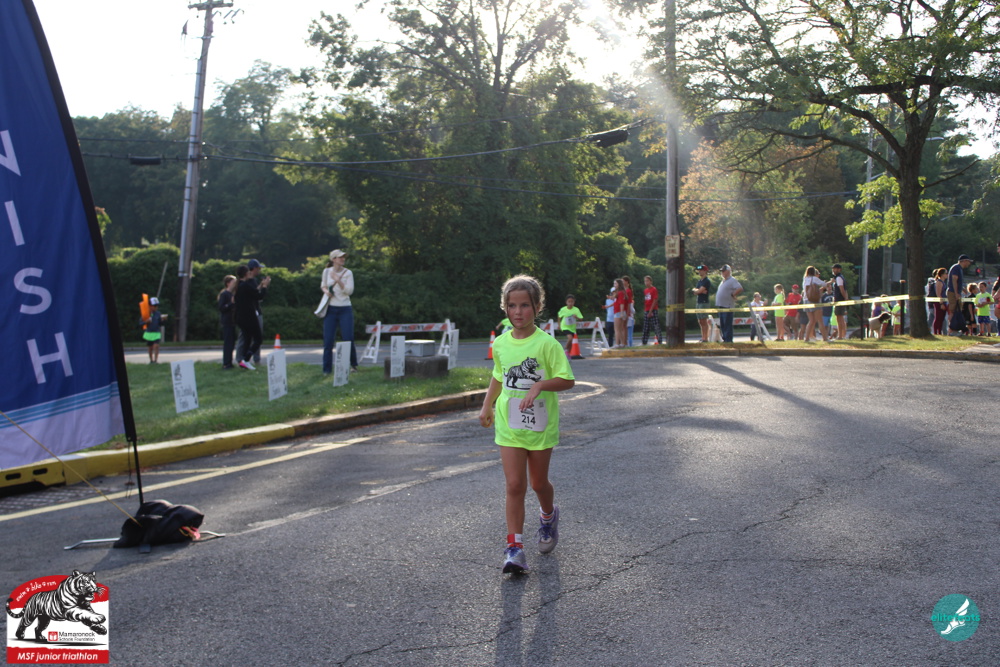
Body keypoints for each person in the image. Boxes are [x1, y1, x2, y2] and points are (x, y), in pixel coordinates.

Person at [478, 275, 575, 575]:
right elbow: (499, 375)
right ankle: (514, 548)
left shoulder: (547, 344)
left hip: (540, 424)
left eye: (524, 305)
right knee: (514, 484)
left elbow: (567, 380)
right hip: (509, 423)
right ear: (504, 307)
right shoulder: (501, 343)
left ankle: (548, 516)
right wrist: (487, 404)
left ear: (537, 306)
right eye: (512, 306)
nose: (518, 312)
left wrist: (540, 385)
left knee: (538, 483)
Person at [320, 249, 358, 374]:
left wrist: (338, 280)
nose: (343, 259)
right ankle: (326, 370)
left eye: (343, 257)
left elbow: (349, 291)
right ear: (333, 259)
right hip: (330, 309)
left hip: (345, 308)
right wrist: (326, 292)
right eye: (340, 257)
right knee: (328, 340)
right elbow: (323, 285)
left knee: (348, 338)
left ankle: (353, 365)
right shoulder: (326, 271)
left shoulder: (348, 273)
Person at [235, 258, 268, 364]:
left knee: (248, 339)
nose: (259, 271)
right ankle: (244, 359)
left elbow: (253, 292)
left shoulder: (243, 284)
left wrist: (261, 286)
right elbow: (258, 296)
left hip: (246, 315)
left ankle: (246, 360)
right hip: (249, 315)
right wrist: (264, 286)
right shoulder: (245, 284)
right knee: (255, 338)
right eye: (258, 268)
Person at [714, 264, 743, 343]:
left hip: (727, 306)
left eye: (724, 271)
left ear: (728, 271)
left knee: (727, 323)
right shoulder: (723, 281)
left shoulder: (732, 280)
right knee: (723, 324)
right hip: (721, 305)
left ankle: (728, 340)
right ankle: (725, 339)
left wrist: (733, 294)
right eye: (722, 271)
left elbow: (739, 288)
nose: (722, 273)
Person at [945, 254, 973, 334]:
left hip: (956, 292)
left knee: (957, 310)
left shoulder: (960, 269)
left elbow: (958, 281)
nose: (969, 264)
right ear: (964, 261)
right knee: (953, 311)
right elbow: (954, 280)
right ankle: (951, 330)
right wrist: (956, 292)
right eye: (968, 262)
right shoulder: (956, 268)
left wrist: (962, 289)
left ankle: (955, 329)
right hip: (952, 292)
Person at [801, 266, 829, 342]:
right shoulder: (814, 278)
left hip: (806, 301)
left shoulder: (805, 279)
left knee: (811, 321)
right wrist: (830, 282)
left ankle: (807, 338)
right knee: (820, 320)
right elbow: (824, 284)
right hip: (814, 300)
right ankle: (825, 338)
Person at [218, 275, 237, 369]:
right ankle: (226, 363)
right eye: (233, 282)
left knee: (232, 342)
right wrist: (231, 303)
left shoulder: (232, 294)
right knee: (228, 343)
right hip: (227, 321)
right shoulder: (224, 294)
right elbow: (221, 308)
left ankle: (230, 362)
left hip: (232, 321)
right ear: (228, 283)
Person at [141, 297, 167, 363]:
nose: (156, 307)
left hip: (156, 332)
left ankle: (156, 360)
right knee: (150, 347)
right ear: (150, 306)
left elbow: (160, 323)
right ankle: (151, 360)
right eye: (154, 306)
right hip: (149, 333)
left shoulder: (158, 313)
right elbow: (140, 323)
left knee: (156, 346)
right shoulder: (146, 313)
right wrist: (146, 322)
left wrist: (163, 320)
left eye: (157, 306)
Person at [692, 264, 712, 342]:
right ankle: (702, 337)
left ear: (705, 271)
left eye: (701, 270)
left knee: (704, 320)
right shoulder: (699, 281)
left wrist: (699, 291)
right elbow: (695, 291)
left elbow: (699, 291)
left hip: (704, 302)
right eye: (699, 270)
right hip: (698, 302)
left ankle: (705, 338)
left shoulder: (706, 281)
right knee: (700, 321)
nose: (700, 272)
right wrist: (698, 291)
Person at [830, 263, 849, 339]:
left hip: (839, 300)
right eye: (833, 268)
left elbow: (842, 289)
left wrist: (845, 298)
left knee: (839, 318)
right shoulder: (840, 277)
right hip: (840, 300)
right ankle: (843, 335)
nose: (833, 270)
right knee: (841, 318)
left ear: (839, 269)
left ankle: (840, 335)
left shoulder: (838, 278)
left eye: (835, 269)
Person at [641, 275, 662, 345]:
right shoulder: (645, 290)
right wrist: (646, 310)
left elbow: (655, 300)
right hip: (646, 310)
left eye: (647, 281)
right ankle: (644, 342)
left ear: (650, 281)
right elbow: (646, 301)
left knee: (656, 326)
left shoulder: (653, 289)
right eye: (645, 281)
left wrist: (650, 311)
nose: (646, 282)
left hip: (653, 309)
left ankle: (659, 341)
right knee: (646, 327)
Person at [931, 268, 947, 335]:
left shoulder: (943, 282)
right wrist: (941, 304)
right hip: (939, 303)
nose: (947, 275)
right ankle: (935, 332)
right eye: (946, 273)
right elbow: (938, 294)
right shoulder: (939, 282)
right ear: (942, 274)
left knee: (941, 318)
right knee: (938, 318)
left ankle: (939, 332)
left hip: (944, 302)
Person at [612, 278, 627, 348]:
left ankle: (617, 344)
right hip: (618, 311)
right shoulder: (620, 292)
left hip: (618, 312)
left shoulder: (620, 293)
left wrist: (621, 313)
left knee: (617, 329)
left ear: (619, 284)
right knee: (620, 329)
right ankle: (622, 343)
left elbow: (622, 303)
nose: (614, 285)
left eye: (615, 283)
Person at [622, 275, 636, 347]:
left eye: (623, 281)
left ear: (626, 282)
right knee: (624, 329)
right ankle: (625, 343)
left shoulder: (628, 291)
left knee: (626, 330)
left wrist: (628, 314)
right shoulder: (624, 291)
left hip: (627, 312)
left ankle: (628, 344)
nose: (622, 282)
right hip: (624, 311)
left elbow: (629, 304)